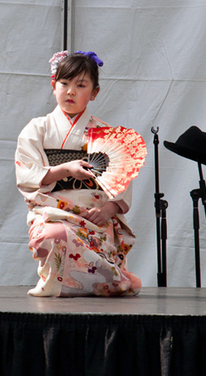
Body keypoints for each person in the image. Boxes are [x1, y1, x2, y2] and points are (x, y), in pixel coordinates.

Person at [14, 51, 141, 297]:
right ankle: (111, 280)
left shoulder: (106, 133)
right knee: (50, 235)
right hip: (53, 210)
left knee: (81, 240)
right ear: (54, 85)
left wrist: (107, 211)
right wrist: (64, 169)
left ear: (94, 93)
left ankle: (107, 280)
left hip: (94, 216)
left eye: (80, 85)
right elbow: (26, 174)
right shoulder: (37, 129)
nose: (70, 91)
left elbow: (121, 183)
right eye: (64, 83)